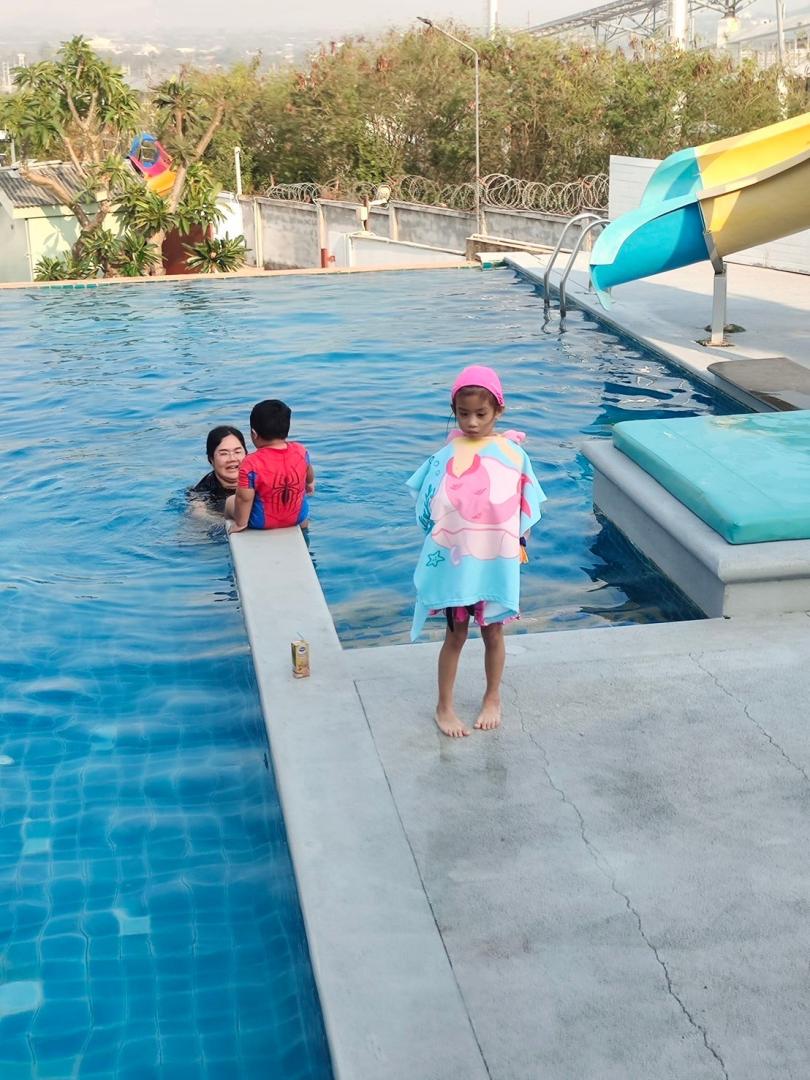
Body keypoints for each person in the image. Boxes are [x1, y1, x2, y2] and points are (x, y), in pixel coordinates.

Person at [406, 365, 546, 738]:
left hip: (494, 563)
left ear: (499, 410)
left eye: (481, 414)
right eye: (463, 414)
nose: (471, 422)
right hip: (457, 564)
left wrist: (519, 542)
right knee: (454, 635)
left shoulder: (513, 454)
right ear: (453, 411)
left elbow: (524, 504)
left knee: (493, 633)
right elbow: (427, 506)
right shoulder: (445, 455)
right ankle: (444, 705)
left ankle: (492, 696)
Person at [225, 399, 315, 533]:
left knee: (230, 501)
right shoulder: (301, 451)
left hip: (261, 522)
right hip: (297, 518)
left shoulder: (250, 463)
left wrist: (241, 523)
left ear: (254, 434)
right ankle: (303, 527)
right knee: (302, 507)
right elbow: (309, 473)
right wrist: (309, 484)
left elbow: (244, 498)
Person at [190, 426, 247, 511]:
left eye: (237, 452)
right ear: (211, 459)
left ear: (246, 454)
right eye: (224, 453)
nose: (232, 458)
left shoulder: (261, 478)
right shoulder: (200, 498)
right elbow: (200, 516)